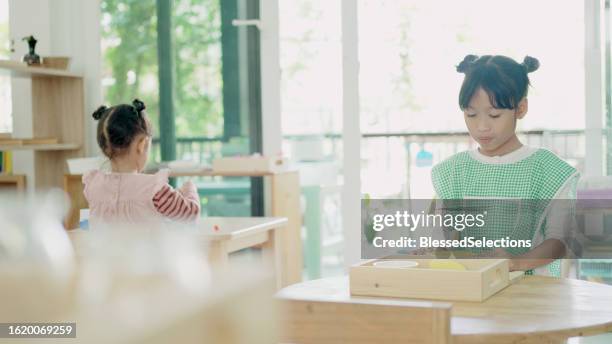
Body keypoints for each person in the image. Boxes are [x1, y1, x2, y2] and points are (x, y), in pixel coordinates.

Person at [431, 55, 579, 275]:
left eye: (494, 114)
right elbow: (448, 237)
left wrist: (516, 263)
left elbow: (558, 240)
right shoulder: (452, 171)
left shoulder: (548, 170)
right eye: (471, 114)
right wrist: (438, 249)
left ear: (520, 108)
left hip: (532, 294)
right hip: (472, 290)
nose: (481, 127)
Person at [83, 99, 200, 228]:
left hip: (104, 249)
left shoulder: (93, 185)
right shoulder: (155, 189)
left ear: (104, 147)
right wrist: (190, 189)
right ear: (142, 144)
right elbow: (190, 214)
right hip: (147, 249)